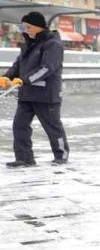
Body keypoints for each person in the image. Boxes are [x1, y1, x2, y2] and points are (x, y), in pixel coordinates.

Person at [1, 12, 69, 167]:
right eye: (24, 27)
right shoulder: (28, 44)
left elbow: (47, 68)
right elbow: (18, 66)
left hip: (46, 94)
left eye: (29, 27)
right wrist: (6, 77)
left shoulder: (53, 44)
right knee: (19, 125)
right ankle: (25, 158)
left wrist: (24, 80)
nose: (26, 30)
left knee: (53, 128)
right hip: (27, 94)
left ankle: (61, 156)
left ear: (39, 26)